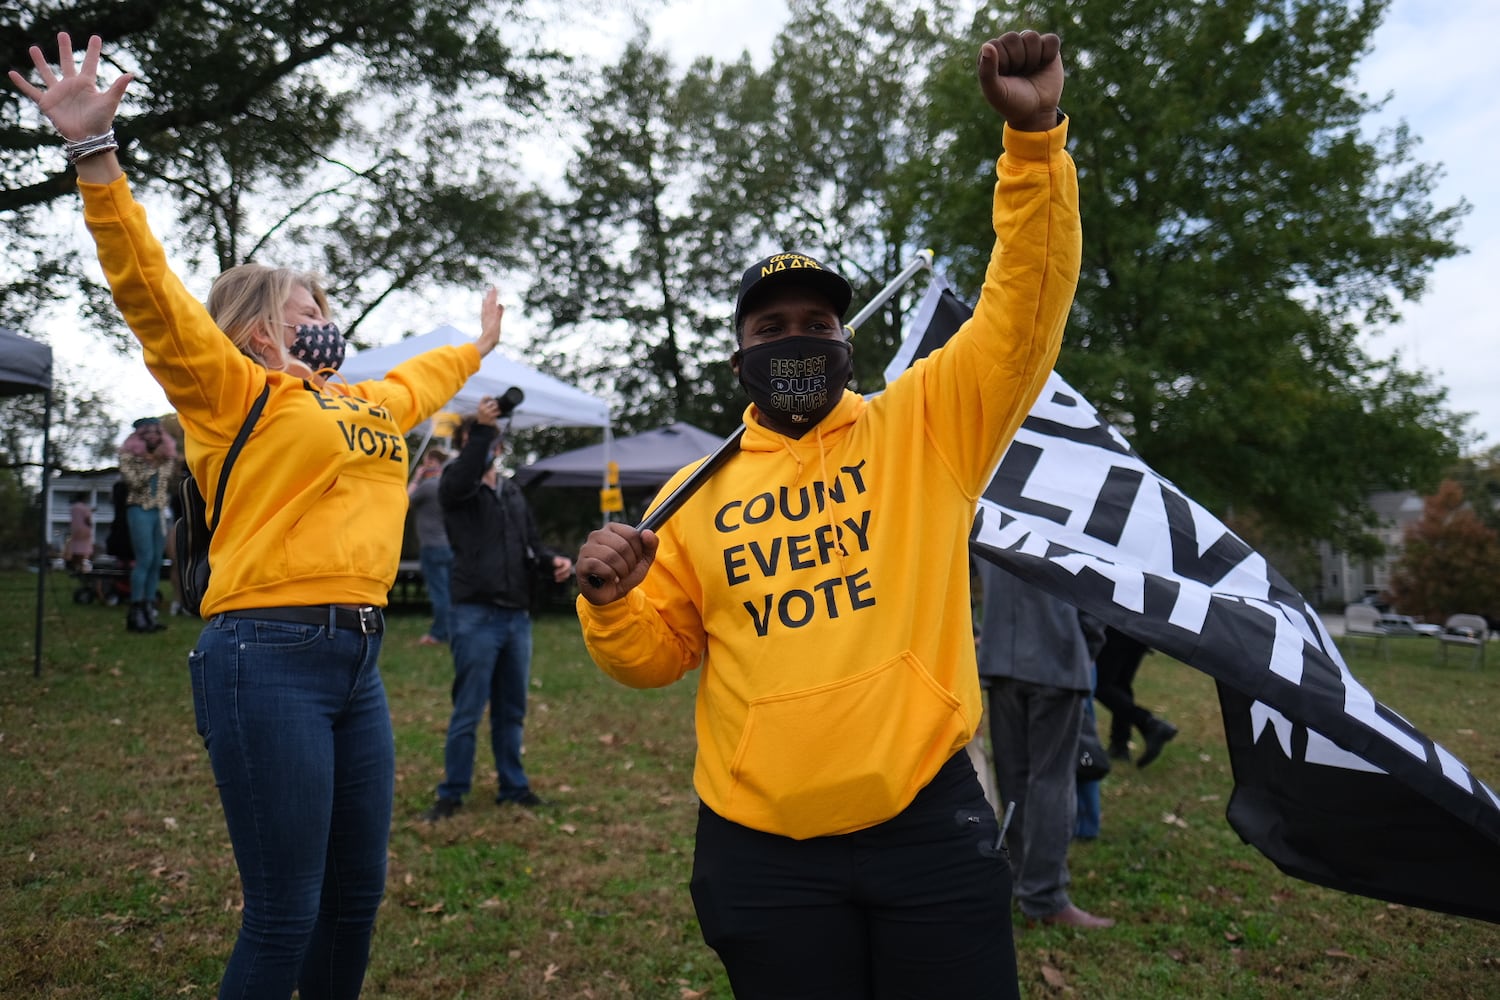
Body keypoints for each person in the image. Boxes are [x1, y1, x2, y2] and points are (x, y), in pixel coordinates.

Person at [573, 29, 1080, 997]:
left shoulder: (925, 425)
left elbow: (1024, 309)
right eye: (772, 330)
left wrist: (1035, 145)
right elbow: (651, 661)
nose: (796, 343)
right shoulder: (690, 491)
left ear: (847, 342)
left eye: (817, 327)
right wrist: (609, 600)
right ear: (739, 362)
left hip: (927, 825)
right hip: (760, 850)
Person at [10, 34, 502, 998]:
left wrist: (477, 347)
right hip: (264, 653)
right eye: (313, 302)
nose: (332, 314)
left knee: (354, 900)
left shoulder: (361, 403)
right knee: (286, 911)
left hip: (357, 660)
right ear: (260, 327)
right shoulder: (231, 392)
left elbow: (418, 381)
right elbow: (151, 294)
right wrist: (94, 158)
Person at [421, 405, 573, 822]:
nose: (493, 447)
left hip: (515, 617)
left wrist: (551, 562)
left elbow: (529, 544)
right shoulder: (456, 486)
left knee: (512, 710)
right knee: (468, 708)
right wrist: (480, 431)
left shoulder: (509, 491)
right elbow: (465, 474)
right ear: (468, 444)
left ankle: (514, 787)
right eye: (484, 439)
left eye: (496, 439)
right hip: (474, 616)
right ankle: (451, 793)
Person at [976, 560, 1114, 929]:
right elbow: (1096, 586)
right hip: (1056, 655)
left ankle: (1027, 882)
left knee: (1017, 777)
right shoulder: (1072, 508)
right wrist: (1084, 646)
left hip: (1002, 656)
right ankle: (1044, 895)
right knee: (1049, 780)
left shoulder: (989, 506)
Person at [117, 415, 176, 632]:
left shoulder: (165, 457)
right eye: (147, 432)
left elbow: (168, 478)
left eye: (156, 432)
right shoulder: (128, 456)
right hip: (139, 509)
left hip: (159, 512)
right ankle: (135, 612)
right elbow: (134, 482)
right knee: (144, 559)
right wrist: (151, 465)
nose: (153, 436)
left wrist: (160, 461)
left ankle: (150, 611)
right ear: (138, 436)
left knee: (156, 562)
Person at [1095, 625, 1178, 767]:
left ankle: (1149, 723)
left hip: (1117, 624)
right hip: (1142, 626)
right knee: (1120, 685)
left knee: (1101, 684)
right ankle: (1119, 745)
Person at [407, 447, 452, 646]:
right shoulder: (449, 485)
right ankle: (453, 631)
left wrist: (417, 477)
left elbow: (404, 501)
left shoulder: (427, 486)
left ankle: (438, 634)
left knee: (439, 593)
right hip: (449, 546)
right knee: (450, 591)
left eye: (425, 462)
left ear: (432, 462)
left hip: (432, 547)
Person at [65, 495, 94, 571]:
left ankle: (75, 566)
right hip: (84, 531)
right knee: (83, 550)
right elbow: (87, 519)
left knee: (76, 549)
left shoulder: (73, 508)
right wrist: (90, 525)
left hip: (75, 531)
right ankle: (81, 567)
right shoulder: (84, 508)